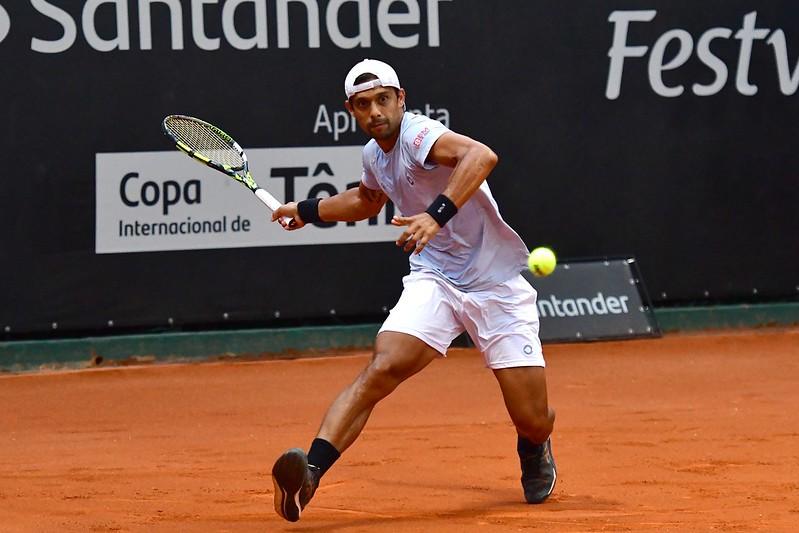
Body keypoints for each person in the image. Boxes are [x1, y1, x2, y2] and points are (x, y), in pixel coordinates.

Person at [269, 59, 556, 523]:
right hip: (436, 278)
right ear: (352, 110)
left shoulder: (419, 135)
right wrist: (307, 209)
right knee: (382, 368)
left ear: (402, 99)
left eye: (384, 100)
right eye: (364, 105)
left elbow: (481, 156)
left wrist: (435, 214)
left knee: (532, 417)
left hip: (496, 285)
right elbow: (367, 200)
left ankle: (535, 445)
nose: (375, 111)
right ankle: (310, 476)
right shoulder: (373, 155)